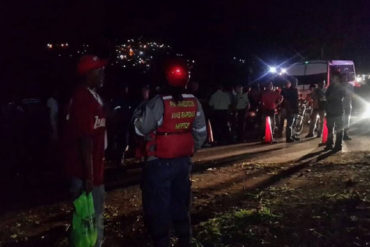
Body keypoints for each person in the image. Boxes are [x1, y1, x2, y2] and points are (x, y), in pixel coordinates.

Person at [133, 58, 207, 247]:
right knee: (181, 203)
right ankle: (184, 239)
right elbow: (200, 133)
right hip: (183, 162)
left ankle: (162, 242)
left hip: (158, 162)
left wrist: (137, 113)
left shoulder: (159, 102)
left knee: (158, 206)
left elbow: (140, 129)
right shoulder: (194, 102)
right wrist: (189, 149)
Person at [62, 55, 107, 247]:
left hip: (94, 169)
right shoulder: (82, 98)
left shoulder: (93, 96)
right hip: (86, 173)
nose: (103, 73)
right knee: (90, 219)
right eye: (99, 70)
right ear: (88, 74)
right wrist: (89, 176)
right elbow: (84, 140)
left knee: (92, 216)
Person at [325, 71, 346, 151]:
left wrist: (332, 97)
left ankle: (338, 145)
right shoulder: (330, 86)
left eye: (335, 77)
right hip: (330, 110)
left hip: (338, 111)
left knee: (339, 129)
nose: (333, 79)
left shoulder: (341, 87)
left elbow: (341, 97)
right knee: (330, 129)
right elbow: (326, 96)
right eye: (333, 77)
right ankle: (329, 144)